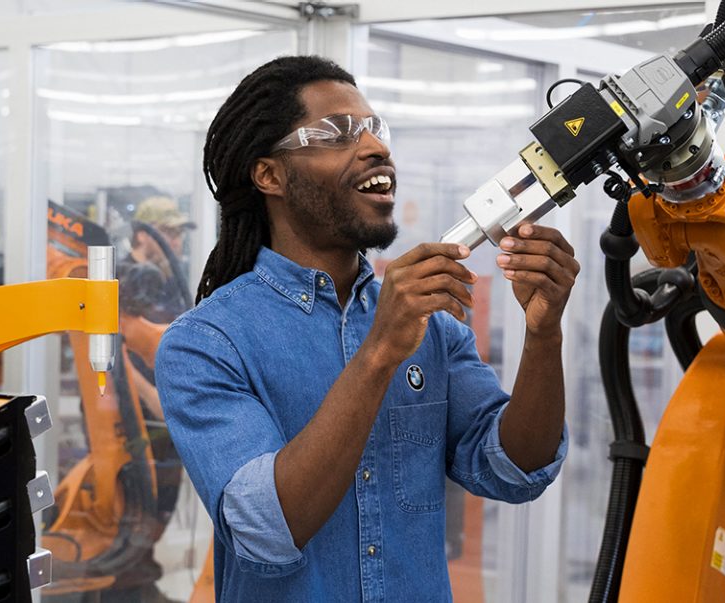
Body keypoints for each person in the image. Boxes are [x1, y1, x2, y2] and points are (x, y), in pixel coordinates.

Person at [155, 55, 577, 601]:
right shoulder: (207, 343)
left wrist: (544, 337)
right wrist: (379, 351)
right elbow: (267, 529)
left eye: (377, 129)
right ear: (269, 175)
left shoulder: (433, 328)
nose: (377, 147)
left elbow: (515, 467)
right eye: (337, 133)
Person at [119, 196, 195, 324]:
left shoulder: (170, 278)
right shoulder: (124, 278)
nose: (177, 242)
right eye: (170, 233)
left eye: (180, 233)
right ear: (142, 235)